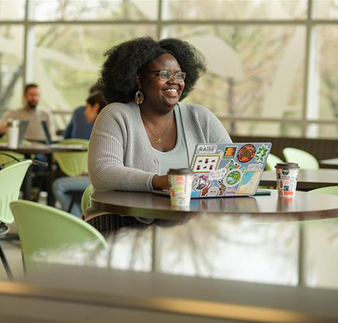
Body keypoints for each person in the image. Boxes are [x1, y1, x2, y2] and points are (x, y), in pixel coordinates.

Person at [88, 36, 231, 193]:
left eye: (179, 75)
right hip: (125, 216)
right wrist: (160, 181)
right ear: (139, 80)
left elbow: (231, 164)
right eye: (163, 74)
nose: (173, 81)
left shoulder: (201, 117)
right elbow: (102, 173)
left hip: (191, 215)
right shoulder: (115, 115)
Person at [52, 85, 107, 216]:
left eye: (87, 108)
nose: (84, 112)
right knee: (74, 190)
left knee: (58, 185)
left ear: (95, 107)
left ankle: (78, 222)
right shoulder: (105, 126)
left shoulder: (101, 130)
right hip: (98, 177)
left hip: (100, 180)